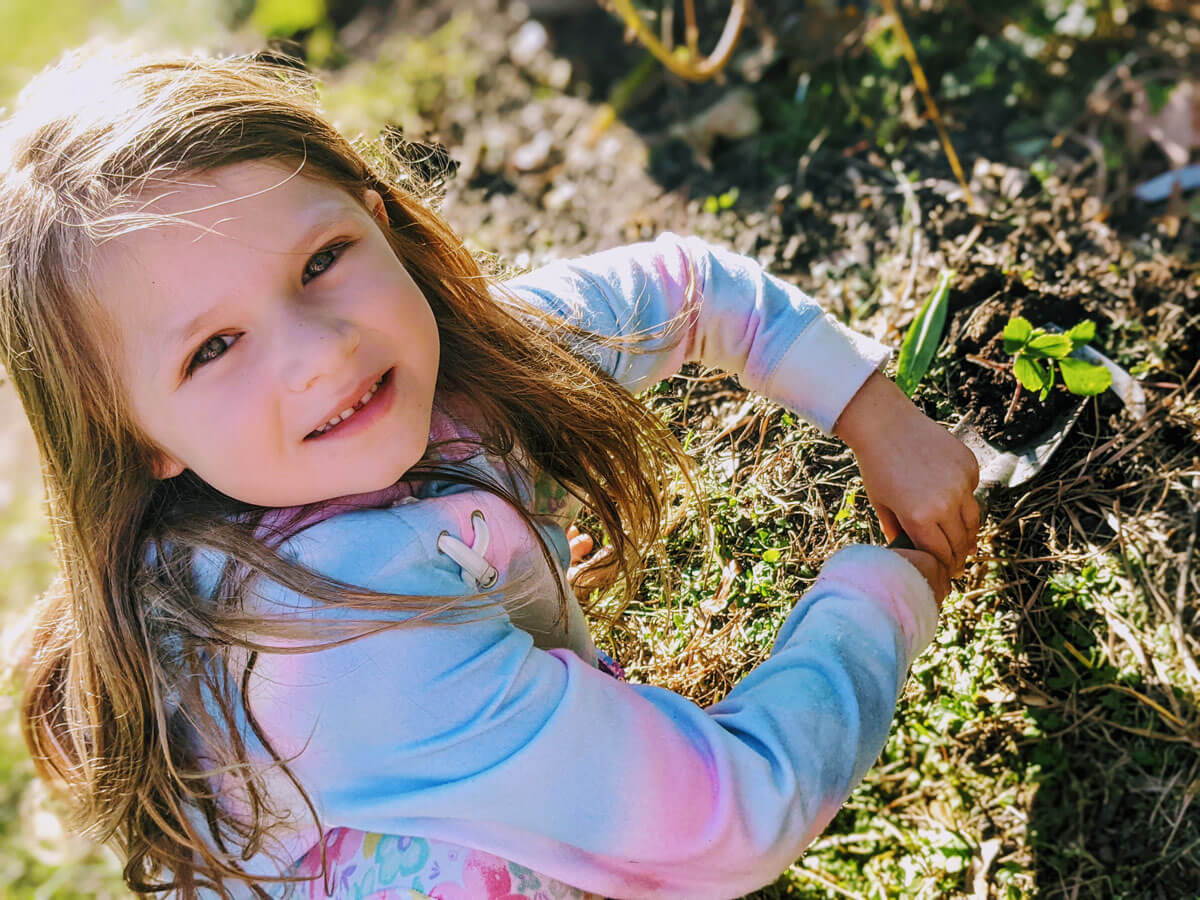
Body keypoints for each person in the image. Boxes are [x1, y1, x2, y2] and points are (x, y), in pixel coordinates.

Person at [0, 45, 979, 900]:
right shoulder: (336, 652)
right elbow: (735, 817)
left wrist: (872, 411)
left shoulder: (463, 360)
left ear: (376, 221)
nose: (317, 352)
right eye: (212, 348)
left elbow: (685, 288)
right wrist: (886, 592)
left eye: (321, 259)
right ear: (134, 437)